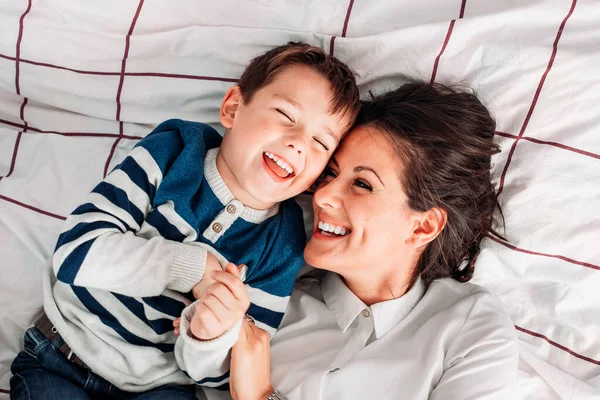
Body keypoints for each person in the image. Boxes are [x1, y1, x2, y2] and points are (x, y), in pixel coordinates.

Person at [9, 42, 360, 399]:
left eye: (320, 142)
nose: (299, 143)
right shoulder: (173, 153)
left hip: (159, 388)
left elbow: (219, 377)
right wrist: (194, 269)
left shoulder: (283, 247)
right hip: (62, 354)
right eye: (286, 115)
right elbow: (75, 255)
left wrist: (209, 336)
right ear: (234, 107)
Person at [217, 82, 519, 400]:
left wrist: (259, 396)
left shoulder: (468, 328)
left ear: (423, 227)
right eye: (331, 174)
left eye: (362, 183)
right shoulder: (263, 294)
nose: (323, 195)